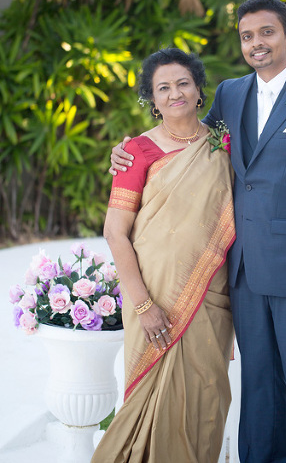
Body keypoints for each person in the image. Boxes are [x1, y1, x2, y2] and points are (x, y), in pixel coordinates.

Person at [112, 0, 286, 463]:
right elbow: (187, 143)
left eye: (267, 33)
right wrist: (127, 150)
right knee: (258, 393)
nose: (257, 43)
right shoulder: (231, 93)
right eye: (247, 36)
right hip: (241, 276)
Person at [94, 48, 236, 462]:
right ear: (152, 100)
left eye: (183, 84)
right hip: (153, 297)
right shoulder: (136, 152)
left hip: (211, 296)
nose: (175, 93)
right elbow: (115, 232)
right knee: (147, 405)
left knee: (207, 399)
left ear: (198, 91)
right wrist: (143, 305)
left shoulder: (221, 145)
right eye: (163, 88)